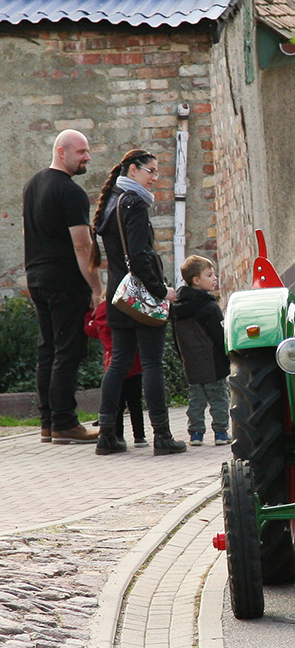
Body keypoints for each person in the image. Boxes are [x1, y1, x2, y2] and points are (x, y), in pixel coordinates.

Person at [90, 149, 186, 456]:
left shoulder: (113, 202)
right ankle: (162, 436)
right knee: (152, 363)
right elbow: (141, 255)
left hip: (118, 295)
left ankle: (107, 436)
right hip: (141, 297)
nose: (155, 178)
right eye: (151, 171)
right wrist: (162, 291)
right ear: (133, 170)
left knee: (118, 363)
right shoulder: (133, 204)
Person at [23, 129, 103, 445]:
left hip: (38, 279)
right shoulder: (70, 192)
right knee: (68, 351)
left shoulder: (33, 185)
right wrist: (96, 288)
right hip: (66, 282)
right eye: (81, 152)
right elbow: (82, 245)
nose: (87, 157)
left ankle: (48, 423)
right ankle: (65, 424)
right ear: (61, 152)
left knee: (49, 350)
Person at [172, 255, 231, 446]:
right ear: (196, 280)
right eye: (210, 275)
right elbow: (219, 335)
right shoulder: (209, 307)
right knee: (219, 398)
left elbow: (175, 338)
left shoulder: (177, 308)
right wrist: (228, 355)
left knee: (195, 400)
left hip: (191, 362)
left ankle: (196, 434)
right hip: (213, 361)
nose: (215, 278)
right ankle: (221, 433)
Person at [85, 299, 148, 447]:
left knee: (117, 403)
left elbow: (91, 330)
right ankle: (139, 436)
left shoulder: (101, 313)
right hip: (134, 362)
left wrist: (89, 315)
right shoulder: (129, 307)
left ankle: (118, 435)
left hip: (112, 364)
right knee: (135, 402)